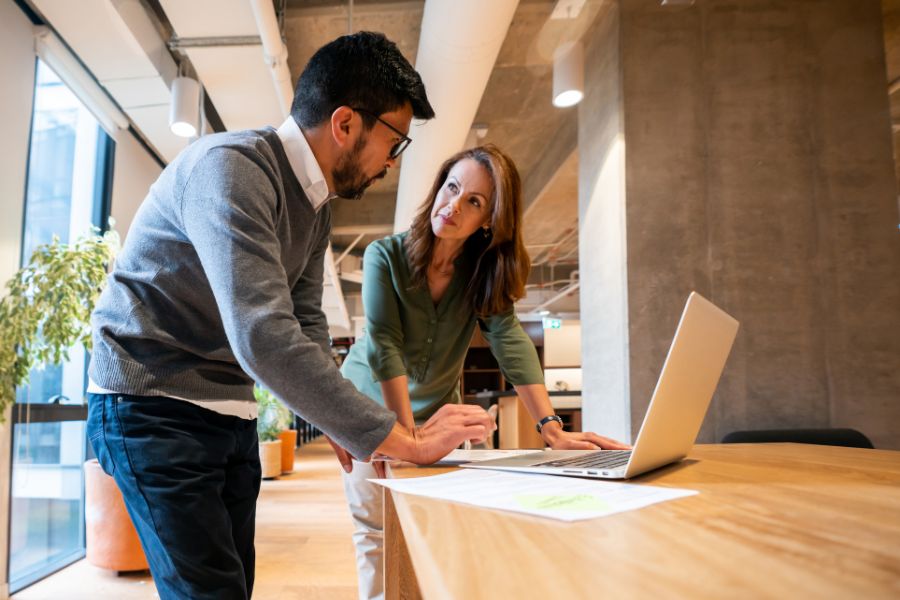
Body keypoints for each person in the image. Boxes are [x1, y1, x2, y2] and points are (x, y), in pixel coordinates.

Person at [85, 31, 493, 600]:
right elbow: (262, 333)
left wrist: (335, 417)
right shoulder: (230, 168)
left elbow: (304, 323)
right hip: (150, 402)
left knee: (234, 587)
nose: (391, 164)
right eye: (394, 142)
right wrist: (403, 440)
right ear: (346, 124)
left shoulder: (314, 203)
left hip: (226, 411)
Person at [332, 144, 630, 600]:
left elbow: (509, 339)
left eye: (474, 201)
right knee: (376, 528)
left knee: (441, 527)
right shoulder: (383, 256)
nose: (453, 205)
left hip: (436, 415)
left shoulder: (480, 272)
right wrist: (408, 438)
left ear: (489, 220)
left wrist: (551, 429)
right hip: (370, 411)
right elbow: (384, 345)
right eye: (452, 187)